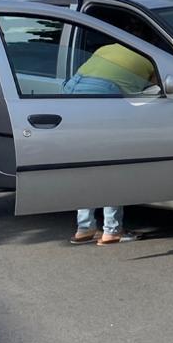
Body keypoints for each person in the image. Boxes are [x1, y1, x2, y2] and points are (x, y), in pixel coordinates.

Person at [63, 38, 158, 246]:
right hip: (101, 98)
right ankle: (112, 231)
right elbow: (156, 90)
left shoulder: (106, 48)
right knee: (112, 168)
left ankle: (84, 228)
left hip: (71, 95)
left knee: (86, 169)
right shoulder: (152, 58)